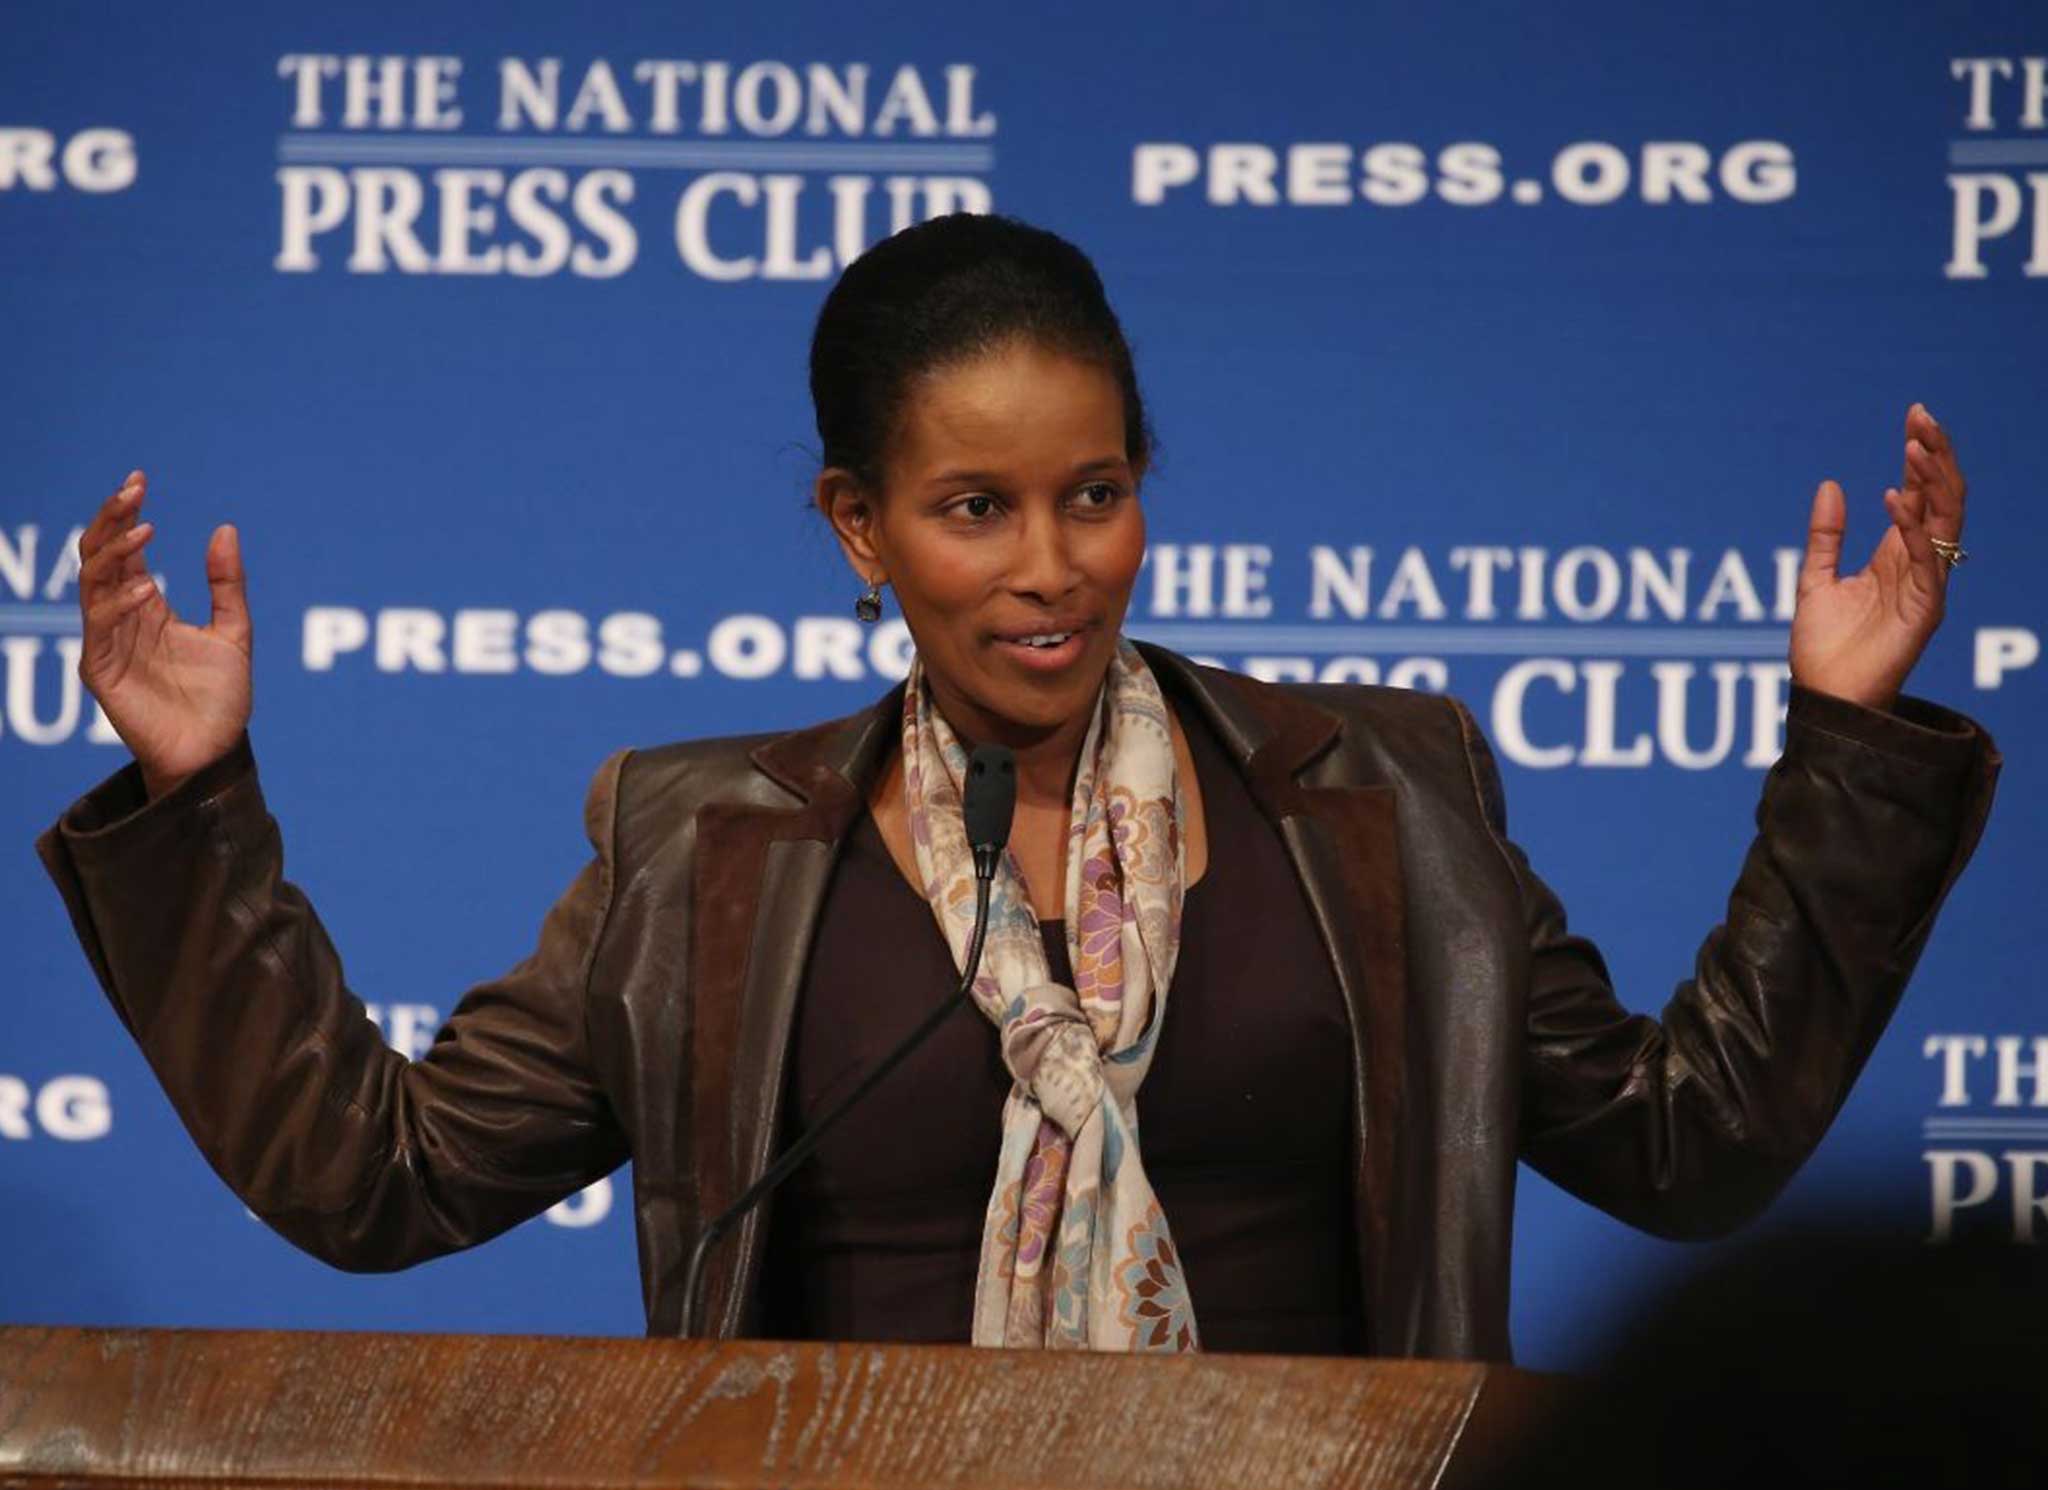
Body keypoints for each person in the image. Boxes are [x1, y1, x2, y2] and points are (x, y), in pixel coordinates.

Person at [39, 213, 1998, 1360]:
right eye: (975, 509)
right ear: (859, 528)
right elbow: (377, 1186)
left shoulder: (1376, 793)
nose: (1051, 565)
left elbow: (1689, 1146)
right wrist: (194, 801)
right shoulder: (707, 848)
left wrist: (1843, 747)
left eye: (1095, 493)